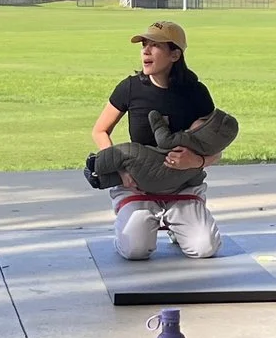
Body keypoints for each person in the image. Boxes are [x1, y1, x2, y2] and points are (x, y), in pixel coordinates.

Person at [89, 21, 227, 260]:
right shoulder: (129, 88)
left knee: (204, 248)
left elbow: (216, 147)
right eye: (144, 45)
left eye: (155, 46)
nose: (145, 51)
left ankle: (178, 222)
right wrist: (120, 170)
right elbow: (100, 131)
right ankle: (133, 221)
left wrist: (197, 161)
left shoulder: (196, 93)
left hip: (183, 184)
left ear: (175, 54)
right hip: (138, 184)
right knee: (136, 250)